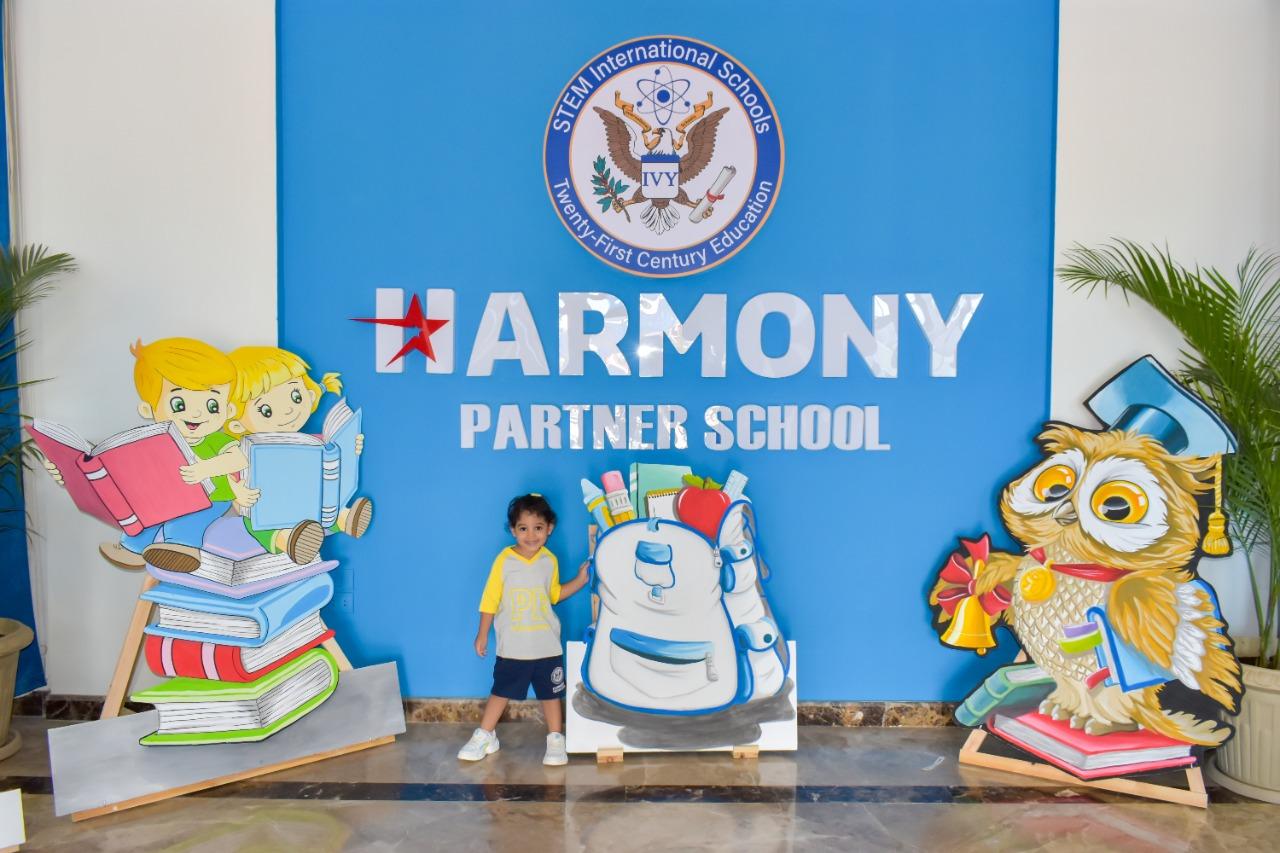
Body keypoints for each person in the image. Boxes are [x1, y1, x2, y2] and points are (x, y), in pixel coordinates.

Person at [43, 337, 252, 572]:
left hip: (212, 498)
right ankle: (132, 549)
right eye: (179, 404)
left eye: (212, 405)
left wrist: (205, 468)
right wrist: (69, 473)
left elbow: (239, 458)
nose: (196, 412)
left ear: (229, 410)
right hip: (168, 497)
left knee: (187, 520)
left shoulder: (217, 439)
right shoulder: (154, 440)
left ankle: (182, 548)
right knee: (146, 517)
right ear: (148, 409)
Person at [458, 494, 589, 766]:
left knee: (551, 695)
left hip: (547, 646)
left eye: (538, 528)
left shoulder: (549, 561)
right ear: (512, 530)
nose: (531, 535)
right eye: (523, 528)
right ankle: (486, 734)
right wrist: (482, 633)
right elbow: (490, 599)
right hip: (513, 646)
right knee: (500, 691)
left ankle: (555, 738)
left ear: (549, 528)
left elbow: (554, 594)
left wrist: (579, 580)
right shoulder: (504, 560)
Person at [223, 346, 372, 564]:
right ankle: (291, 542)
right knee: (256, 524)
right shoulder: (241, 452)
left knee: (325, 507)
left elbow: (332, 458)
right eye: (267, 410)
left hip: (306, 503)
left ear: (309, 394)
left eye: (295, 396)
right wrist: (238, 497)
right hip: (266, 511)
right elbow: (231, 485)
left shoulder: (311, 442)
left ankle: (345, 518)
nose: (288, 411)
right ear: (236, 424)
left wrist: (351, 449)